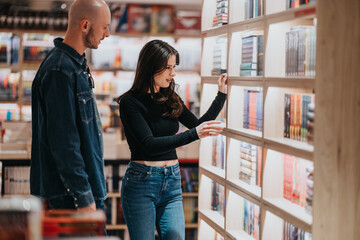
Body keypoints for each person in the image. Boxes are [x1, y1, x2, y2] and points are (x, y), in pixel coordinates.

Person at [116, 39, 227, 240]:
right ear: (151, 66)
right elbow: (149, 144)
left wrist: (221, 95)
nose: (172, 73)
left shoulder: (170, 98)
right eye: (167, 68)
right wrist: (194, 134)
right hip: (142, 183)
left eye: (173, 67)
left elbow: (197, 124)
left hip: (172, 181)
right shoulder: (129, 102)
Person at [30, 0, 110, 213]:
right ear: (85, 25)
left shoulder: (75, 65)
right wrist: (83, 196)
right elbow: (64, 142)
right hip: (70, 199)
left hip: (80, 194)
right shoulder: (60, 70)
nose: (107, 34)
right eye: (104, 27)